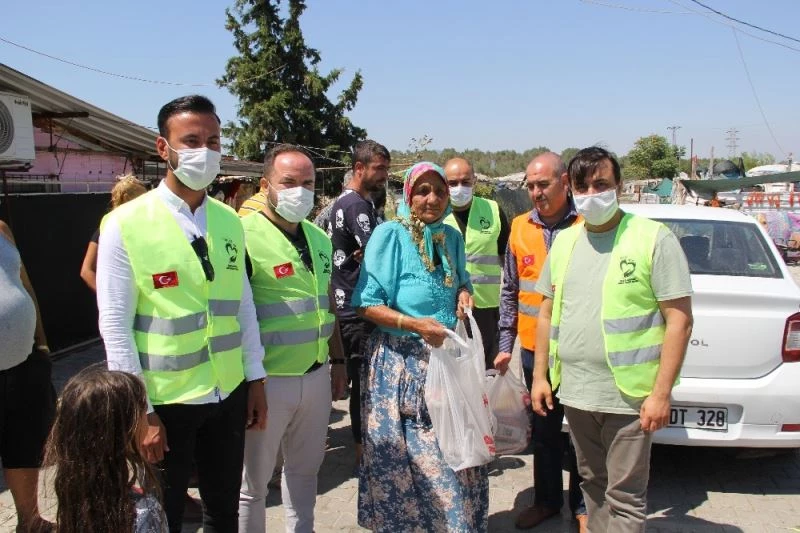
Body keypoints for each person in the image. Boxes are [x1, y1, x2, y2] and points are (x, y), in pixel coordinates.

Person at [97, 94, 268, 533]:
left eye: (213, 140)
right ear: (163, 148)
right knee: (165, 514)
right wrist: (140, 411)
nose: (205, 151)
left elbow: (243, 306)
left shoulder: (229, 221)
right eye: (190, 140)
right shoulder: (125, 224)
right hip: (165, 405)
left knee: (223, 509)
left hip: (227, 394)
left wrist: (255, 379)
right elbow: (115, 327)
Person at [532, 146, 693, 532]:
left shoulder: (652, 238)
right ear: (571, 188)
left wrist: (661, 394)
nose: (593, 193)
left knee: (625, 496)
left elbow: (680, 320)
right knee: (593, 485)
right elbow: (546, 312)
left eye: (601, 183)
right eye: (583, 186)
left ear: (618, 184)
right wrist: (540, 376)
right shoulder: (567, 241)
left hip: (628, 397)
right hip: (576, 392)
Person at [353, 161, 487, 532]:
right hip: (399, 368)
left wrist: (463, 295)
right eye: (423, 191)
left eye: (439, 191)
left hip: (446, 366)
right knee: (412, 465)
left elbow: (462, 281)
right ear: (408, 195)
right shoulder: (389, 236)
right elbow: (366, 303)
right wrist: (412, 324)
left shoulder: (451, 237)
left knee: (457, 461)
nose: (432, 198)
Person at [238, 144, 347, 533]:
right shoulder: (242, 235)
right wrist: (253, 381)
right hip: (266, 382)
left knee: (304, 473)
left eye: (307, 183)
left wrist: (337, 362)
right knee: (252, 485)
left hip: (316, 375)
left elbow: (327, 304)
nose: (299, 191)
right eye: (288, 182)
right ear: (265, 184)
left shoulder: (319, 237)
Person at [493, 152, 586, 531]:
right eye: (530, 186)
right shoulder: (518, 227)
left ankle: (583, 507)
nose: (536, 192)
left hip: (579, 350)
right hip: (535, 352)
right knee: (545, 434)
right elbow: (511, 291)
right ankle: (547, 501)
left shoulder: (586, 226)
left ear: (565, 182)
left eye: (543, 184)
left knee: (582, 434)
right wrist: (505, 343)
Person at [43, 366, 166, 533]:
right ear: (125, 430)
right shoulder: (145, 512)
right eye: (143, 409)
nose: (148, 419)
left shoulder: (74, 498)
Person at [328, 140, 390, 466]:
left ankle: (364, 447)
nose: (384, 176)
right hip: (357, 308)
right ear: (359, 168)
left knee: (363, 380)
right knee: (365, 384)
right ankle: (363, 452)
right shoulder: (356, 206)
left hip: (350, 304)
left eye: (386, 169)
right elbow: (377, 253)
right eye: (378, 169)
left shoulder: (352, 203)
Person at [0, 219, 55, 533]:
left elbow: (25, 285)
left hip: (24, 362)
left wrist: (43, 343)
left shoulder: (2, 229)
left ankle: (30, 521)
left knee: (23, 443)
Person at [443, 157, 509, 367]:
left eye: (465, 181)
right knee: (454, 374)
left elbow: (506, 257)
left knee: (487, 372)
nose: (459, 188)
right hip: (448, 309)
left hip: (486, 308)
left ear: (474, 181)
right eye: (452, 183)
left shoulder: (493, 210)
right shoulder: (435, 214)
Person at [80, 175, 147, 291]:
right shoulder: (108, 227)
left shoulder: (150, 225)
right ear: (126, 198)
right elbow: (86, 271)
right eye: (142, 199)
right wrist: (108, 298)